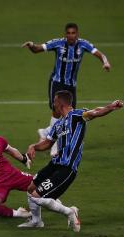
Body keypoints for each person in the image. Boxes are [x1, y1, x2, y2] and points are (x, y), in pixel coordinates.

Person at [18, 90, 123, 232]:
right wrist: (34, 146)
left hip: (67, 168)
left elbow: (95, 112)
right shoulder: (58, 124)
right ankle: (36, 221)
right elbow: (48, 143)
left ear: (60, 103)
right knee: (30, 188)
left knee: (37, 197)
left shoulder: (76, 116)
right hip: (54, 164)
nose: (52, 104)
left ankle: (70, 212)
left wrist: (111, 107)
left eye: (54, 101)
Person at [22, 22, 111, 155]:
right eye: (68, 33)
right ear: (65, 34)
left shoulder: (83, 44)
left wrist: (105, 62)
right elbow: (38, 49)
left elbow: (100, 54)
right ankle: (55, 144)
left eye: (73, 33)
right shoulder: (58, 43)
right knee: (57, 111)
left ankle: (46, 132)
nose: (71, 36)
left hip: (71, 85)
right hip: (57, 82)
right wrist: (31, 46)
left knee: (69, 114)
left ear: (77, 34)